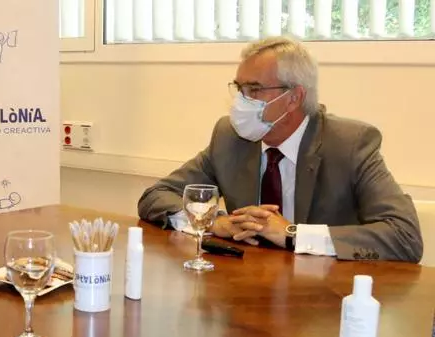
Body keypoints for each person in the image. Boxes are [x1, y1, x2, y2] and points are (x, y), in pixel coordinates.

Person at [137, 37, 422, 263]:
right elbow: (156, 196)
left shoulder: (350, 144)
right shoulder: (230, 138)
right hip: (247, 290)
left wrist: (292, 233)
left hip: (324, 300)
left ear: (293, 97)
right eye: (239, 88)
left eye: (254, 89)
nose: (240, 101)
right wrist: (215, 222)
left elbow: (404, 236)